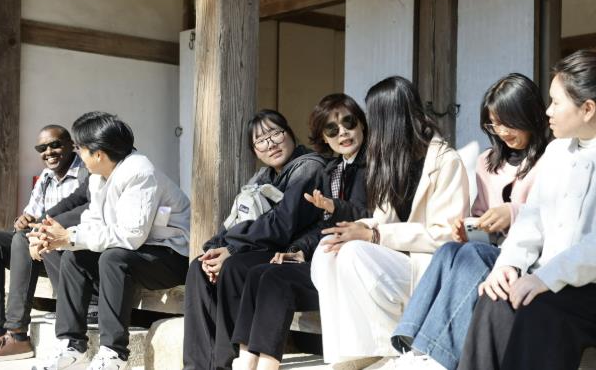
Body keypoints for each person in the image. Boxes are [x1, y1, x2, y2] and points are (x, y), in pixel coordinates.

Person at [458, 44, 596, 370]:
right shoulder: (557, 151)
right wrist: (509, 265)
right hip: (554, 281)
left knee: (542, 310)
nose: (547, 112)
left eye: (556, 102)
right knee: (494, 299)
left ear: (588, 109)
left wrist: (546, 278)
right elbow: (532, 219)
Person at [380, 74, 548, 370]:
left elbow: (553, 214)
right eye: (493, 124)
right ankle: (413, 346)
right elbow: (482, 215)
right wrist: (472, 229)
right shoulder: (487, 161)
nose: (502, 132)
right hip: (493, 250)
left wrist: (512, 213)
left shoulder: (552, 160)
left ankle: (435, 358)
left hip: (528, 259)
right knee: (449, 250)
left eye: (508, 123)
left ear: (529, 114)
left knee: (471, 255)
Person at [310, 76, 470, 366]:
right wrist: (361, 228)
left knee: (355, 254)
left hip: (429, 267)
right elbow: (382, 220)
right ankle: (347, 353)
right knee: (328, 249)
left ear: (391, 118)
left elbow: (447, 234)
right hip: (397, 260)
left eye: (373, 116)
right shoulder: (390, 160)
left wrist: (375, 235)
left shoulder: (445, 161)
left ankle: (387, 349)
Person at [31, 112, 191, 370]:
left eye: (80, 149)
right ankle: (71, 346)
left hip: (171, 257)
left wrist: (70, 236)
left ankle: (113, 353)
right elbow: (93, 223)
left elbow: (130, 236)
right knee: (74, 257)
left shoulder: (140, 172)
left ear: (98, 154)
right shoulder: (98, 177)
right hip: (137, 252)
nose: (78, 155)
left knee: (113, 258)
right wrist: (58, 239)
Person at [231, 94, 370, 370]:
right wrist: (298, 250)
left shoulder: (374, 165)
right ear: (324, 138)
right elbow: (322, 226)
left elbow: (370, 216)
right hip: (327, 257)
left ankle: (268, 364)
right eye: (332, 129)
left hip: (356, 263)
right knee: (260, 273)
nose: (342, 133)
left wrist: (335, 207)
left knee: (276, 279)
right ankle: (246, 361)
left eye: (348, 123)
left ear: (362, 124)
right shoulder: (333, 170)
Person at [183, 109, 326, 370]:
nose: (270, 144)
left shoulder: (308, 167)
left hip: (291, 253)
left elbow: (282, 224)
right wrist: (215, 249)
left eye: (275, 134)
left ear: (289, 133)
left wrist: (232, 249)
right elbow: (236, 220)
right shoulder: (261, 177)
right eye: (260, 141)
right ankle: (198, 366)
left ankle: (225, 362)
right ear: (254, 150)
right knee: (199, 267)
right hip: (261, 249)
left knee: (234, 267)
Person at [0, 125, 87, 363]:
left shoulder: (85, 173)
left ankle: (17, 334)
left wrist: (35, 229)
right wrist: (23, 220)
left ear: (71, 145)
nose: (49, 152)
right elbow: (30, 215)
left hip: (70, 251)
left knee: (23, 239)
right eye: (42, 148)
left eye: (55, 145)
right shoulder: (45, 177)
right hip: (40, 248)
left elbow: (86, 216)